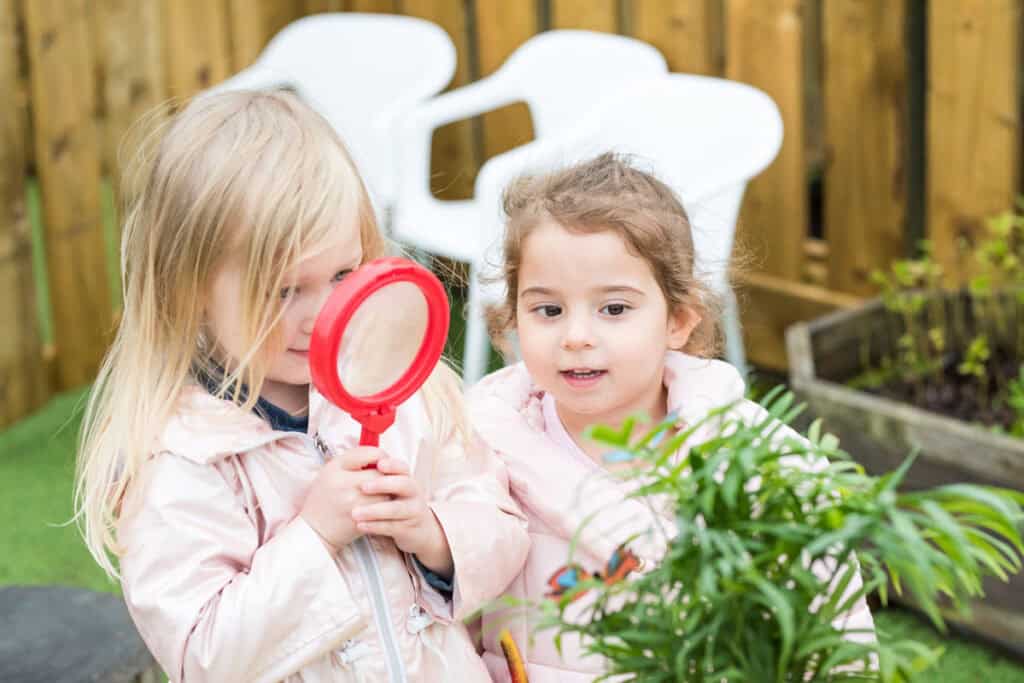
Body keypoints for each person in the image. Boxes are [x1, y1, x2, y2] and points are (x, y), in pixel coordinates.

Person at [74, 90, 529, 683]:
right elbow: (205, 657)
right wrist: (315, 535)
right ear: (191, 292)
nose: (322, 315)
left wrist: (435, 535)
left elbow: (499, 522)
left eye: (343, 274)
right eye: (284, 290)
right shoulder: (182, 461)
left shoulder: (409, 393)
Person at [468, 153, 875, 682]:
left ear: (678, 320)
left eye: (613, 309)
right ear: (513, 316)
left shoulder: (747, 452)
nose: (575, 336)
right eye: (548, 310)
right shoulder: (481, 443)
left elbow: (826, 601)